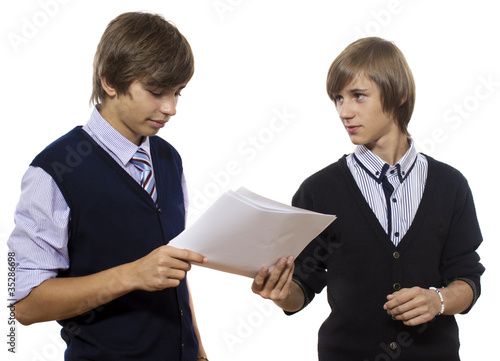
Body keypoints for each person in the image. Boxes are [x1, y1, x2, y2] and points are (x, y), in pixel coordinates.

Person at [251, 37, 485, 360]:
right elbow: (301, 289)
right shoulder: (318, 191)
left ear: (399, 94)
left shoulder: (450, 185)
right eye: (338, 99)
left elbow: (468, 279)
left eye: (358, 96)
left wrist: (438, 300)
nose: (344, 112)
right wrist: (280, 294)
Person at [8, 12, 210, 361]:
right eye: (157, 92)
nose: (171, 108)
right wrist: (132, 274)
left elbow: (173, 272)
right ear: (110, 82)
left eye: (178, 93)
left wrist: (200, 353)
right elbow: (25, 303)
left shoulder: (168, 159)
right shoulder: (53, 171)